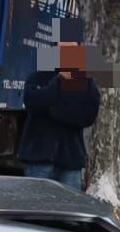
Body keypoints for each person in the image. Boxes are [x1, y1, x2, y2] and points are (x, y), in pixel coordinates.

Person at [18, 36, 102, 190]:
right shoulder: (39, 76)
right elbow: (33, 103)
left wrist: (54, 111)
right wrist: (59, 81)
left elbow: (88, 115)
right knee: (37, 204)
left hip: (70, 161)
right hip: (39, 158)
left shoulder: (86, 82)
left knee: (69, 204)